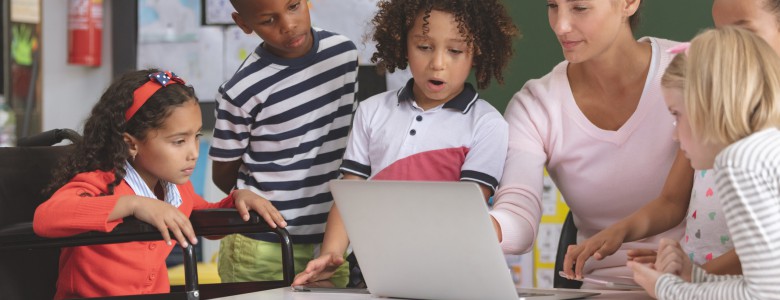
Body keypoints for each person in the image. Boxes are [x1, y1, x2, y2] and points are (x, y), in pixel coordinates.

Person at [291, 0, 517, 286]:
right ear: (403, 45)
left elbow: (465, 213)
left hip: (448, 272)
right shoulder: (372, 112)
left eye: (455, 51)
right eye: (424, 47)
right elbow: (349, 195)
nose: (437, 63)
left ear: (477, 54)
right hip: (370, 268)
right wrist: (331, 255)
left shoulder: (486, 124)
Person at [563, 0, 780, 279]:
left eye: (744, 32)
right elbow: (671, 201)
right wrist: (619, 233)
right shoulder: (713, 111)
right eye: (719, 33)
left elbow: (765, 249)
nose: (729, 47)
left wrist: (690, 278)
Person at [33, 69, 285, 299]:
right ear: (132, 144)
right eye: (178, 141)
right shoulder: (104, 181)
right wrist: (132, 204)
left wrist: (237, 200)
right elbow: (46, 217)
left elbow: (203, 221)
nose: (194, 153)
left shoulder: (177, 190)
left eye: (195, 137)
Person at [490, 0, 691, 279]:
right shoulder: (536, 106)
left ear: (628, 3)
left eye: (580, 8)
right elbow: (517, 212)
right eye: (552, 5)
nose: (561, 25)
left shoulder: (694, 70)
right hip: (606, 286)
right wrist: (484, 227)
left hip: (702, 280)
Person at [209, 0, 359, 286]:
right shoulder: (240, 91)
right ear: (243, 24)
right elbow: (224, 175)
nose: (288, 25)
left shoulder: (343, 54)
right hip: (263, 245)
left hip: (331, 241)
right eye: (268, 20)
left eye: (293, 6)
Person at [629, 26, 780, 300]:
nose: (675, 133)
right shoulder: (765, 148)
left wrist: (669, 290)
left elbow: (766, 293)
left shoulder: (738, 163)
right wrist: (696, 276)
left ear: (708, 106)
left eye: (677, 115)